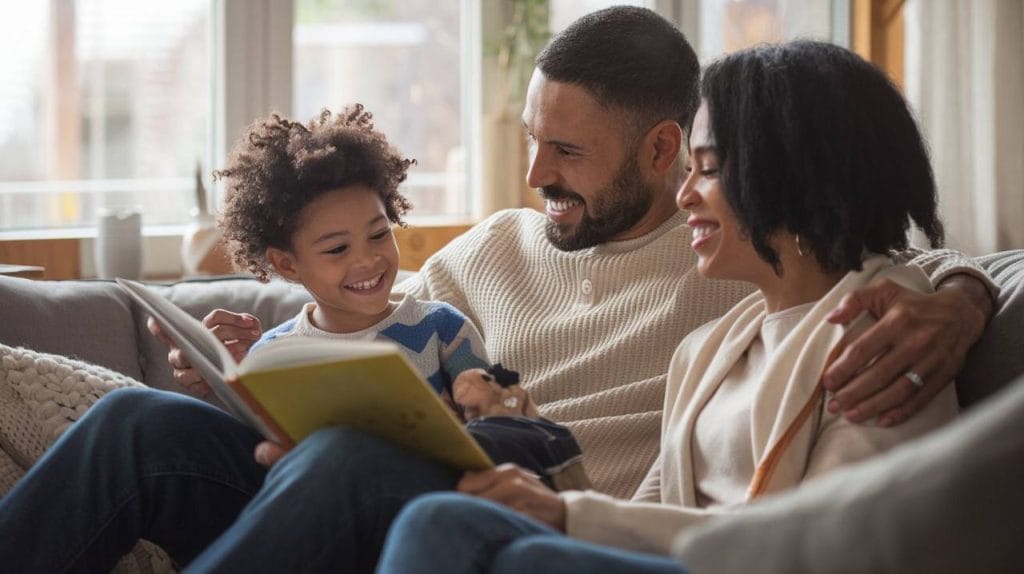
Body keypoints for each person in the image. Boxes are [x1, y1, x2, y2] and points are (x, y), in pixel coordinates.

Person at [0, 6, 993, 574]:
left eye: (564, 149)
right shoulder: (518, 256)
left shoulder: (735, 280)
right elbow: (368, 328)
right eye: (530, 140)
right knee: (141, 423)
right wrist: (251, 378)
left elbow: (874, 258)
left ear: (661, 152)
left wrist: (962, 297)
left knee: (355, 462)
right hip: (417, 483)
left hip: (535, 504)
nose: (534, 176)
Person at [374, 39, 964, 574]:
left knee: (445, 526)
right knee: (462, 518)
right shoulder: (709, 351)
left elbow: (832, 539)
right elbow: (635, 516)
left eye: (707, 170)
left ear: (793, 178)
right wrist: (534, 460)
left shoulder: (887, 335)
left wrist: (969, 297)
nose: (686, 194)